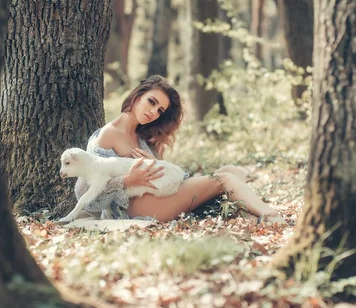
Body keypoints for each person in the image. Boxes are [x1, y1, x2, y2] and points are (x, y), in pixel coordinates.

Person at [73, 75, 286, 224]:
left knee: (233, 172)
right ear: (138, 96)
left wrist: (156, 163)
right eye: (151, 102)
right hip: (133, 208)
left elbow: (164, 177)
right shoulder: (108, 134)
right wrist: (128, 181)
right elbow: (86, 193)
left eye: (159, 110)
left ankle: (251, 217)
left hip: (157, 199)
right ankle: (271, 215)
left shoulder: (142, 138)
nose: (153, 112)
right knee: (225, 179)